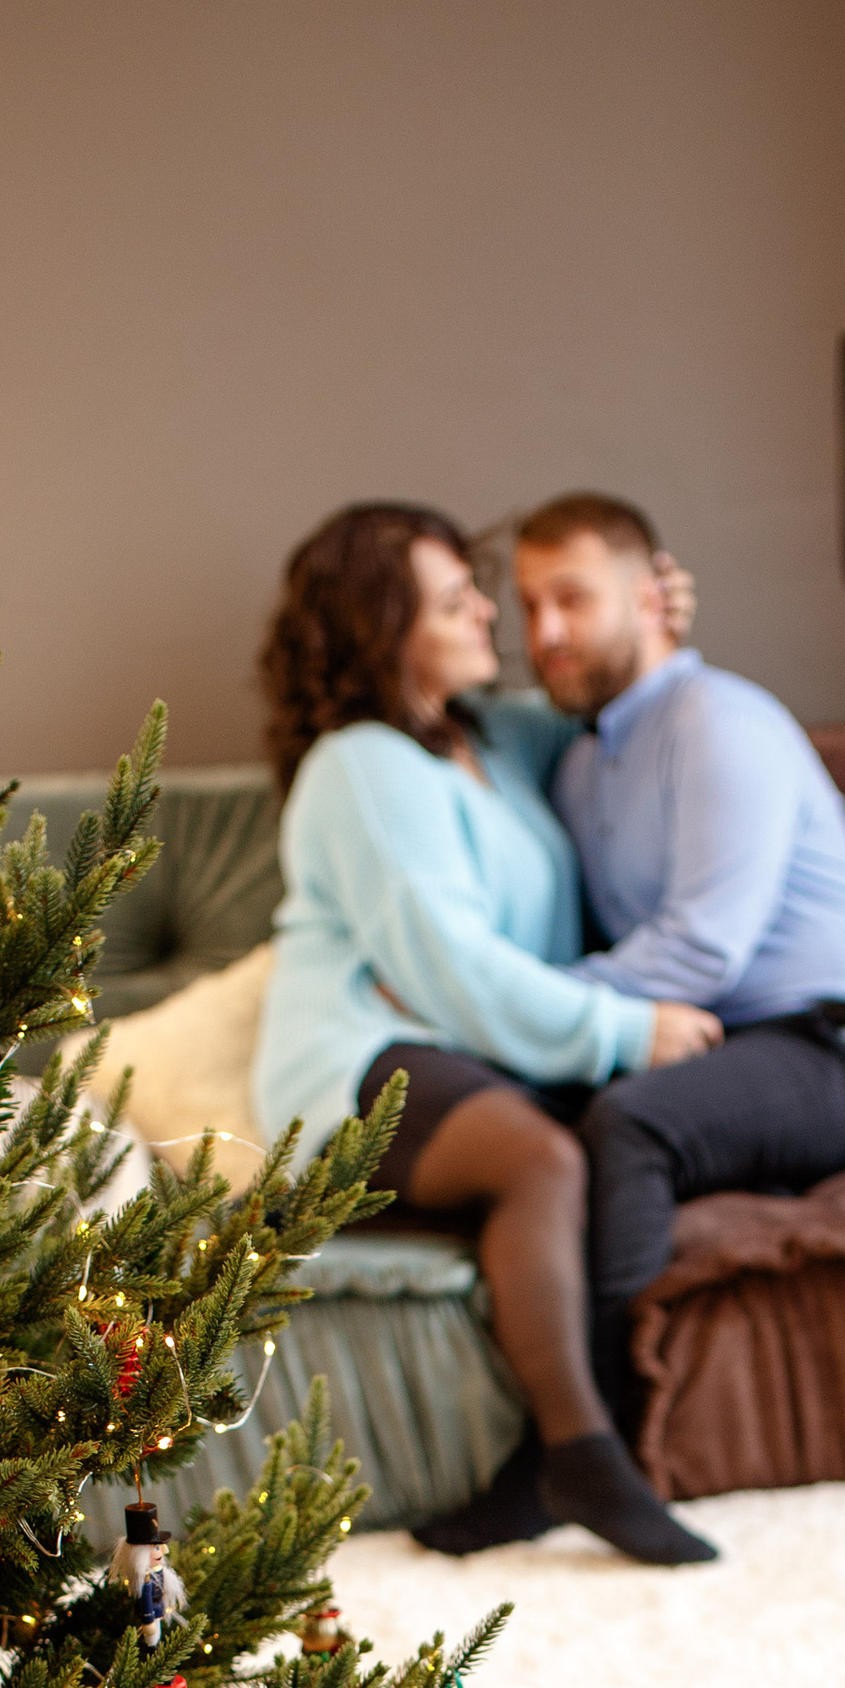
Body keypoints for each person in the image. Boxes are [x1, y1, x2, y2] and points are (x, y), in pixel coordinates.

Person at [420, 490, 845, 1553]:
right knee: (520, 1127)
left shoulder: (720, 720)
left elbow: (701, 952)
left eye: (574, 599)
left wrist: (512, 1009)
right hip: (707, 1044)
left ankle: (599, 1458)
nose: (546, 631)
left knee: (631, 1122)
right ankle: (560, 1447)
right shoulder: (581, 756)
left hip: (823, 1049)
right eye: (528, 606)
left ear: (652, 598)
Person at [252, 502, 725, 1564]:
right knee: (539, 1161)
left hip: (465, 1053)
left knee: (607, 1147)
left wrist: (650, 627)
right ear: (384, 630)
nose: (488, 615)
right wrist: (623, 1029)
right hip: (350, 1062)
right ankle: (582, 1456)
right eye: (454, 600)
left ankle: (538, 1468)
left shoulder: (496, 739)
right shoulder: (362, 765)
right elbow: (453, 972)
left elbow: (612, 706)